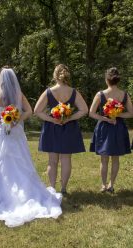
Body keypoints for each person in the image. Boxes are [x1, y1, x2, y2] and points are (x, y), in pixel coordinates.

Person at [0, 67, 62, 228]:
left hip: (0, 130)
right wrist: (16, 120)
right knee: (19, 160)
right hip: (16, 131)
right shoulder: (18, 94)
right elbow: (29, 111)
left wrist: (1, 120)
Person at [34, 64, 88, 195]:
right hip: (69, 128)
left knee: (52, 160)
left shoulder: (49, 92)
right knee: (66, 160)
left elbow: (37, 111)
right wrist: (69, 118)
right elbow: (84, 110)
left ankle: (52, 188)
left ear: (55, 75)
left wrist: (52, 119)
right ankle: (63, 188)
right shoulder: (73, 92)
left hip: (52, 128)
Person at [89, 67, 133, 193]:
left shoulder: (101, 94)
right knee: (115, 158)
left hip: (104, 127)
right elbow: (131, 113)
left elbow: (91, 113)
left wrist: (105, 118)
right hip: (118, 127)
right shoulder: (124, 94)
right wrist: (118, 115)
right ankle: (111, 185)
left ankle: (103, 185)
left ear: (106, 80)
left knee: (104, 159)